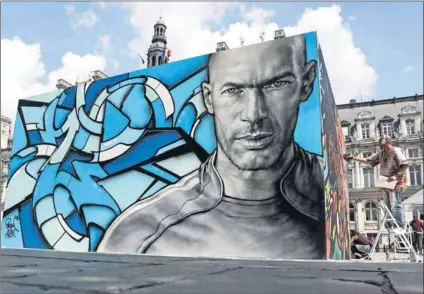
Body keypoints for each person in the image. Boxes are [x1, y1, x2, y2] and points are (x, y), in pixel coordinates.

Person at [97, 35, 325, 259]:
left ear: (306, 83)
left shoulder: (326, 196)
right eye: (233, 90)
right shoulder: (139, 235)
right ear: (208, 98)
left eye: (276, 84)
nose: (253, 114)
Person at [343, 135, 408, 229]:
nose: (385, 148)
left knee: (395, 204)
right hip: (385, 179)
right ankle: (390, 224)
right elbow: (368, 160)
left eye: (386, 145)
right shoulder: (381, 154)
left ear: (389, 143)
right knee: (386, 204)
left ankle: (400, 226)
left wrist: (396, 176)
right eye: (383, 146)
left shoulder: (396, 151)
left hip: (396, 180)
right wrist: (353, 158)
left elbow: (405, 165)